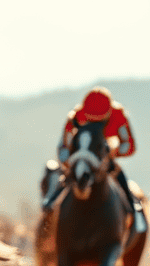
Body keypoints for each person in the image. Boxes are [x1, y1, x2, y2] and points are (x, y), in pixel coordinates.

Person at [42, 87, 145, 232]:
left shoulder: (119, 115)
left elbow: (128, 145)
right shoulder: (75, 117)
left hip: (106, 160)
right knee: (63, 183)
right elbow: (63, 147)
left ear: (109, 113)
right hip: (78, 159)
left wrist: (112, 153)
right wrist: (72, 162)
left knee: (121, 182)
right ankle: (49, 208)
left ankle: (132, 211)